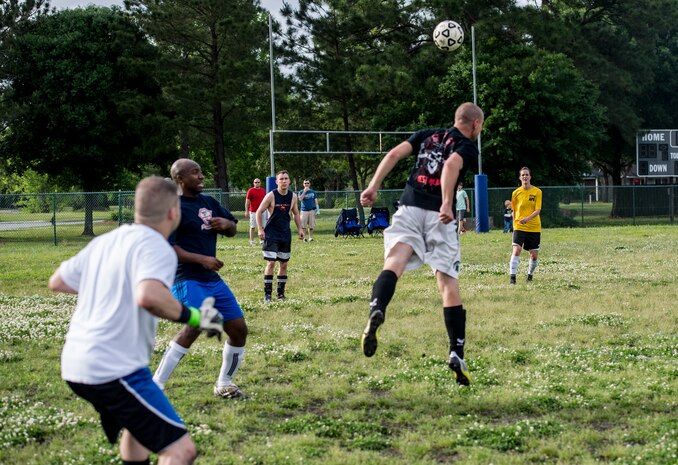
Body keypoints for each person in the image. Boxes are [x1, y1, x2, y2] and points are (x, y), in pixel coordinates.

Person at [49, 176, 225, 465]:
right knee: (181, 451)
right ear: (173, 212)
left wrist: (111, 285)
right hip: (112, 368)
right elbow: (150, 297)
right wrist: (197, 316)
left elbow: (58, 281)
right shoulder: (157, 246)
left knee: (138, 428)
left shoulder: (107, 241)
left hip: (76, 363)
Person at [359, 102, 484, 386]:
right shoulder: (466, 146)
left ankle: (377, 307)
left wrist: (373, 186)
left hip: (409, 206)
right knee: (447, 282)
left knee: (394, 262)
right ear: (475, 124)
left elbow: (394, 154)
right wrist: (447, 203)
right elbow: (451, 165)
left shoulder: (427, 134)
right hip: (438, 216)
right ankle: (456, 351)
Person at [153, 158, 249, 399]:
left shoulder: (208, 202)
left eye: (201, 172)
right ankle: (155, 386)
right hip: (186, 278)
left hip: (211, 279)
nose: (201, 176)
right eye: (195, 173)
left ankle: (224, 383)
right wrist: (201, 259)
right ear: (180, 179)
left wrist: (227, 224)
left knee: (238, 329)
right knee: (196, 324)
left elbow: (233, 229)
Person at [256, 170, 304, 302]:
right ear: (276, 181)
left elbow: (295, 214)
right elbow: (259, 212)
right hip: (271, 234)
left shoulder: (293, 196)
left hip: (285, 235)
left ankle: (280, 294)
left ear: (289, 181)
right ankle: (267, 295)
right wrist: (260, 229)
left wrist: (300, 228)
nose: (284, 181)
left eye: (286, 179)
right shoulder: (271, 196)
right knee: (271, 263)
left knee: (283, 264)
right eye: (281, 179)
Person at [509, 167, 542, 284]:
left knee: (533, 256)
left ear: (530, 177)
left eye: (527, 175)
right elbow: (514, 210)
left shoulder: (537, 192)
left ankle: (530, 275)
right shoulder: (516, 193)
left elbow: (538, 210)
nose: (525, 177)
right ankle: (512, 278)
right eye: (523, 175)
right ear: (520, 177)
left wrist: (527, 219)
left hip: (534, 227)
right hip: (519, 227)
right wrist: (514, 225)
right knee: (517, 250)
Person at [245, 178, 266, 245]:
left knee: (262, 226)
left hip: (262, 211)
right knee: (252, 226)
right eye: (255, 182)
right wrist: (246, 211)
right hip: (253, 211)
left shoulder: (263, 190)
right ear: (253, 183)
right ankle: (252, 241)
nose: (257, 183)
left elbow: (266, 201)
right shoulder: (251, 191)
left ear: (260, 183)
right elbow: (247, 202)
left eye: (258, 182)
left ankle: (262, 240)